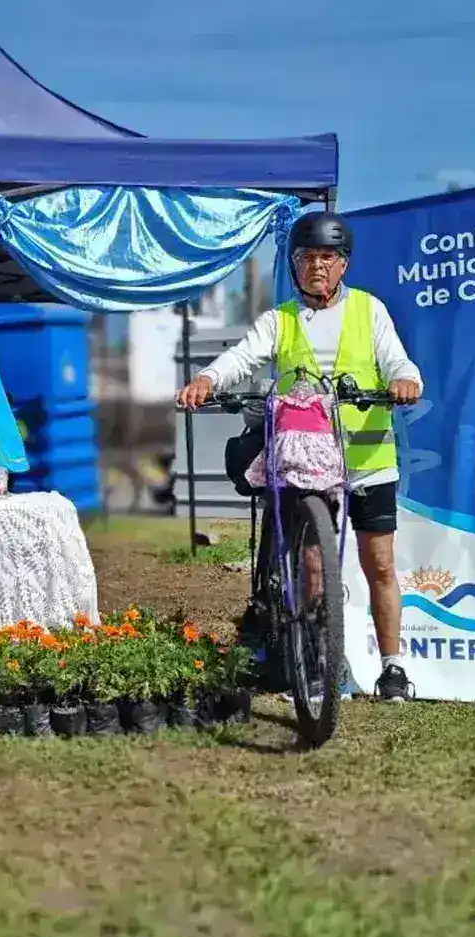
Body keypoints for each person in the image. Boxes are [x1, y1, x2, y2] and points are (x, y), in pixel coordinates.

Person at [176, 211, 424, 702]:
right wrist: (207, 379)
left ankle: (393, 668)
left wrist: (405, 381)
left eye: (327, 257)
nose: (317, 266)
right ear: (293, 265)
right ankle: (317, 664)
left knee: (379, 565)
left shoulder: (370, 311)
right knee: (310, 566)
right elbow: (241, 358)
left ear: (343, 264)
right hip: (307, 459)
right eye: (307, 257)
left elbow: (397, 359)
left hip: (366, 457)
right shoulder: (280, 320)